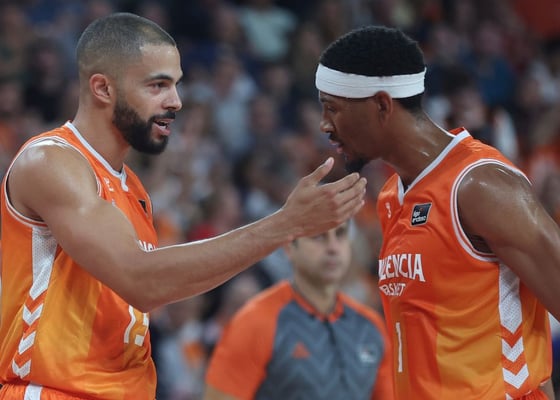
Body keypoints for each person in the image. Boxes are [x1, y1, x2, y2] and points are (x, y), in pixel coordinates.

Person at [0, 13, 367, 400]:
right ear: (103, 88)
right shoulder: (50, 160)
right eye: (157, 85)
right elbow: (141, 280)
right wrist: (284, 225)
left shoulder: (133, 189)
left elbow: (162, 282)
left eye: (175, 85)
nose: (175, 101)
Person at [314, 25, 560, 400]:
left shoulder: (480, 185)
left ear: (382, 105)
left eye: (333, 108)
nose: (324, 124)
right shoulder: (391, 197)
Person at [203, 220, 394, 400]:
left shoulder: (370, 326)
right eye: (318, 236)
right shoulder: (255, 322)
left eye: (340, 234)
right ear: (289, 246)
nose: (333, 247)